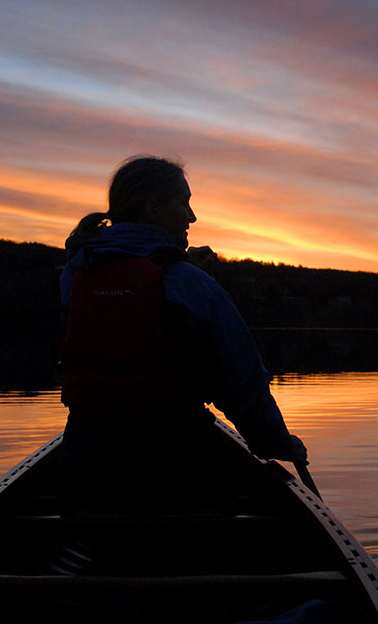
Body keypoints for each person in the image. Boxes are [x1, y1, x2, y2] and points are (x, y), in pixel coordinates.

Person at [58, 155, 307, 511]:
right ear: (154, 209)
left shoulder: (75, 274)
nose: (192, 217)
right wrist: (277, 444)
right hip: (175, 463)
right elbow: (242, 381)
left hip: (86, 461)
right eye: (184, 203)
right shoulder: (188, 283)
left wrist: (178, 269)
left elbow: (126, 312)